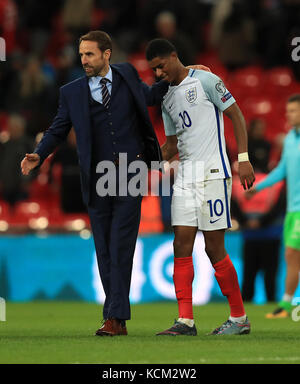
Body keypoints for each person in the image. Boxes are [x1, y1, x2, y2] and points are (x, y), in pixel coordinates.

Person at [20, 30, 170, 337]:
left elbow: (150, 96)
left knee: (121, 245)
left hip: (130, 173)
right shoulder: (72, 91)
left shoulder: (127, 74)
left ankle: (114, 318)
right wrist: (39, 154)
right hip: (97, 176)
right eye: (81, 55)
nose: (84, 60)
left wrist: (181, 76)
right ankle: (116, 318)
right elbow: (58, 129)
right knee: (104, 248)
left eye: (89, 54)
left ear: (107, 53)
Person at [146, 38, 255, 336]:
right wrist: (144, 165)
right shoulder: (166, 97)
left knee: (213, 247)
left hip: (214, 174)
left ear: (173, 56)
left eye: (161, 66)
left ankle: (239, 318)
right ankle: (185, 321)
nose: (158, 74)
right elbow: (171, 146)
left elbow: (236, 115)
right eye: (153, 70)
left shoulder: (206, 80)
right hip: (185, 176)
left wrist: (243, 158)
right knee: (180, 244)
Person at [246, 94, 300, 318]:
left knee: (291, 252)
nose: (289, 115)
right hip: (292, 210)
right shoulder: (289, 139)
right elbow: (281, 170)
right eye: (288, 112)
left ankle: (286, 305)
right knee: (291, 257)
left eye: (294, 111)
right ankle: (287, 305)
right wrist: (258, 187)